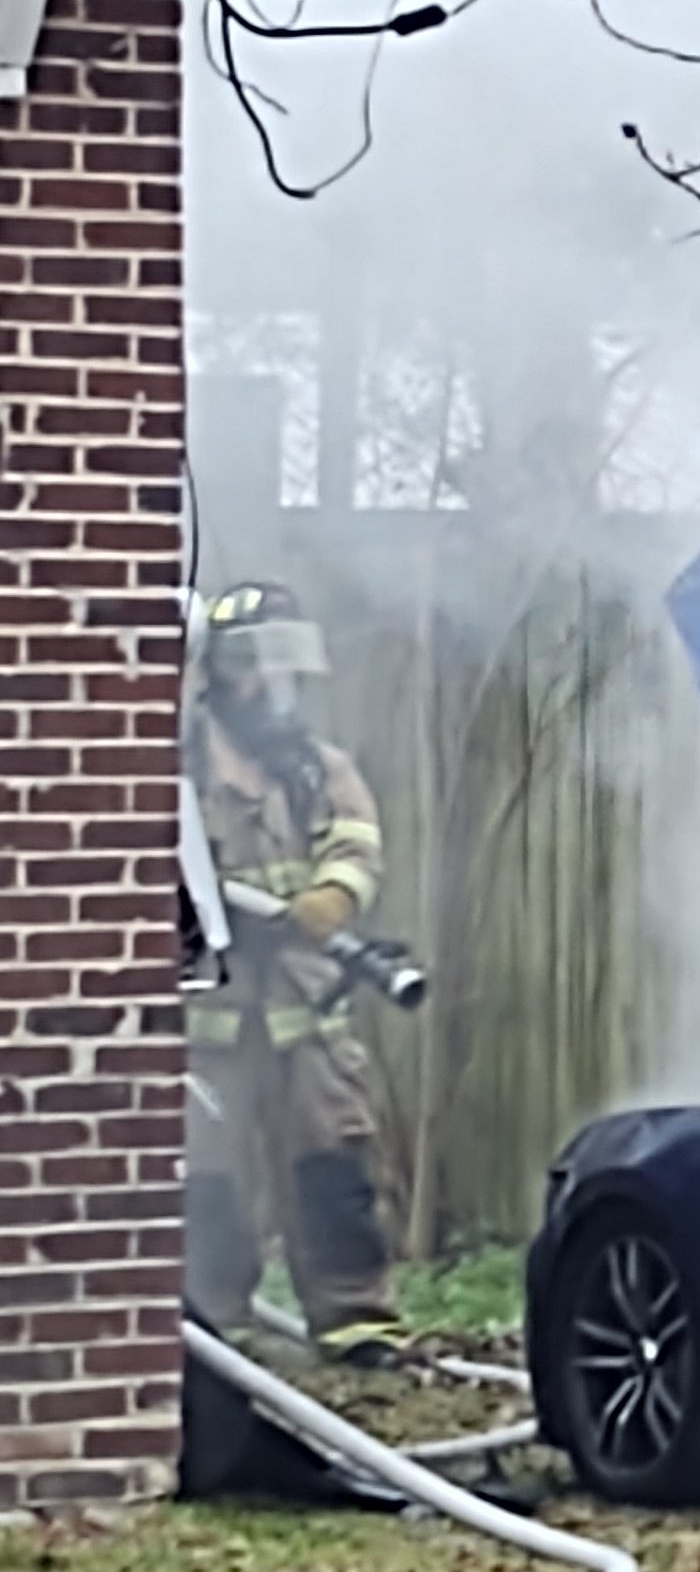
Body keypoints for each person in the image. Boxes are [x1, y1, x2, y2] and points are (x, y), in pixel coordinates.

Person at [182, 581, 408, 1368]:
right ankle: (210, 1327)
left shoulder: (319, 767)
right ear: (220, 671)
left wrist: (334, 894)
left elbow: (357, 843)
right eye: (256, 667)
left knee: (333, 1167)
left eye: (286, 668)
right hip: (211, 1020)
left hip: (307, 1011)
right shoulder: (181, 766)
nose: (273, 687)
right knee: (204, 1180)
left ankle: (356, 1323)